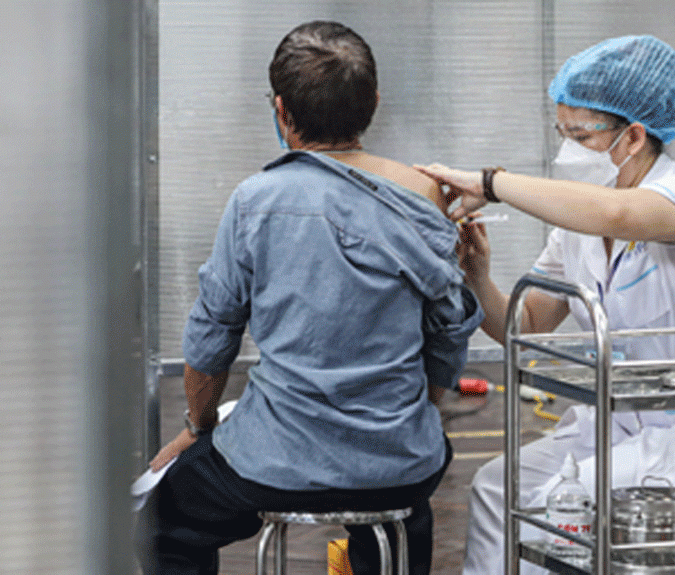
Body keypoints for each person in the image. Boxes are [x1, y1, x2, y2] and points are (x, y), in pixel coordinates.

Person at [135, 21, 482, 575]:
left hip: (276, 459)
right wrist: (413, 418)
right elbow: (447, 337)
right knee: (403, 515)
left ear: (281, 110)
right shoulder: (421, 198)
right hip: (400, 462)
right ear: (373, 102)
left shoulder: (255, 202)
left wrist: (198, 427)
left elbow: (212, 337)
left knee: (166, 523)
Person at [416, 35, 675, 575]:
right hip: (617, 428)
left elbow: (618, 215)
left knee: (556, 508)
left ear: (634, 136)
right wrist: (478, 277)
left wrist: (492, 183)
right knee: (495, 487)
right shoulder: (576, 230)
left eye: (581, 136)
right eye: (563, 134)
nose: (568, 152)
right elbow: (526, 323)